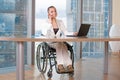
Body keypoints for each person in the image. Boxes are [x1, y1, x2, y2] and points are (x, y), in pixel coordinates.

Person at [41, 6, 77, 73]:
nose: (54, 13)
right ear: (48, 13)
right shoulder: (45, 22)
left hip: (59, 41)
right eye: (52, 11)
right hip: (50, 42)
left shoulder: (60, 22)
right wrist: (50, 22)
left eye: (55, 11)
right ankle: (61, 64)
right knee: (60, 44)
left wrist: (74, 33)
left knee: (63, 45)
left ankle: (69, 65)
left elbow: (66, 32)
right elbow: (44, 33)